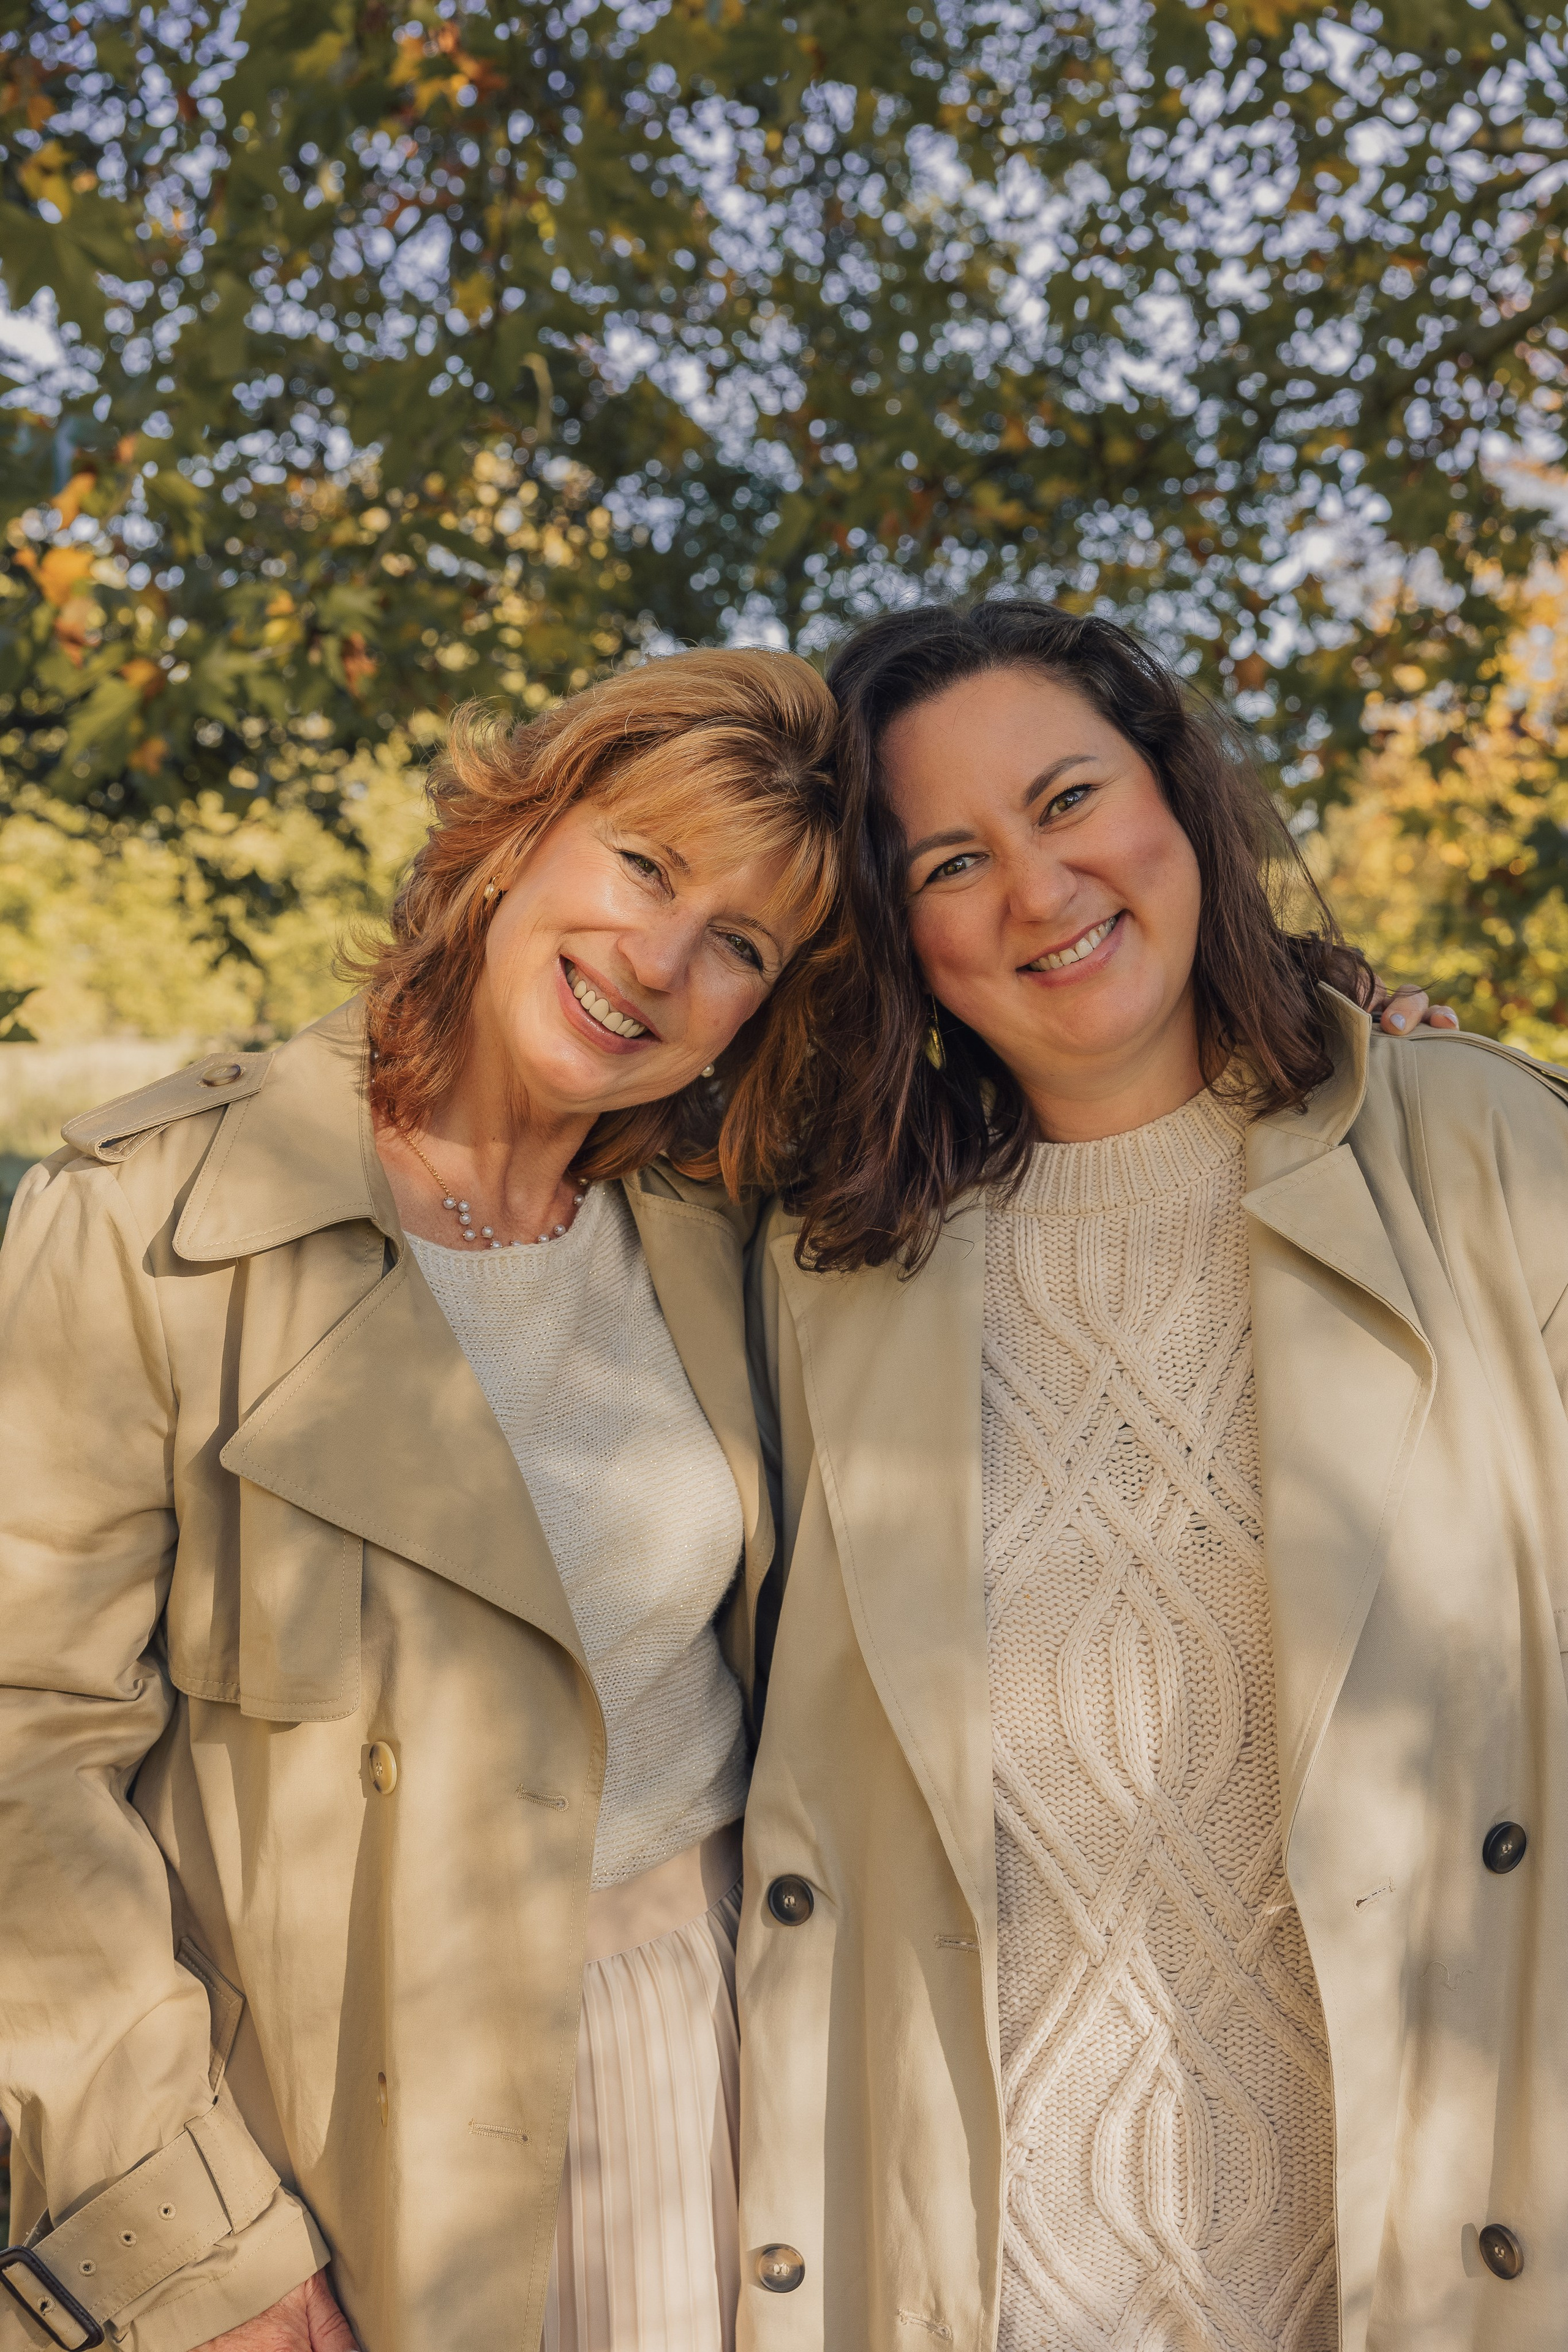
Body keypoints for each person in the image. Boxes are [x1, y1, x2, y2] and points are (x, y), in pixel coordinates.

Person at [734, 598, 1564, 2352]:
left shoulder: (1483, 1161)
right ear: (894, 934)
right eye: (948, 859)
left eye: (1068, 800)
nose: (1039, 891)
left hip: (1423, 2255)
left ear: (1178, 803)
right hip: (989, 2281)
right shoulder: (821, 1279)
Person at [0, 650, 840, 2352]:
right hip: (329, 2135)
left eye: (740, 945)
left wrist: (1363, 1049)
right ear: (513, 840)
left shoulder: (738, 1241)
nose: (661, 962)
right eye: (644, 865)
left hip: (734, 2079)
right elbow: (25, 1753)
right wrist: (182, 2238)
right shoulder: (153, 1223)